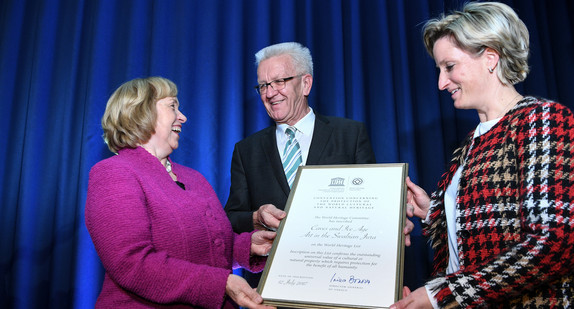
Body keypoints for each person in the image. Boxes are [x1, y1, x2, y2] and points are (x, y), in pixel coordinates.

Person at [391, 2, 574, 308]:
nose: (441, 83)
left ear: (490, 58)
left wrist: (440, 295)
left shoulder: (542, 119)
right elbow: (485, 224)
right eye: (439, 69)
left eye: (449, 67)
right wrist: (433, 209)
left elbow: (554, 243)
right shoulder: (470, 143)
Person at [85, 77, 276, 309]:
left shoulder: (193, 177)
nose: (183, 116)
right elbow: (131, 263)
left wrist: (249, 247)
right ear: (140, 111)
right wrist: (221, 282)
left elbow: (209, 247)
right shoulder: (113, 173)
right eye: (172, 106)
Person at [224, 42, 377, 287]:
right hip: (278, 285)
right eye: (263, 85)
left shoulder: (350, 134)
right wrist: (257, 217)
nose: (270, 93)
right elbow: (231, 218)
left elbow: (373, 205)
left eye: (279, 81)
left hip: (344, 280)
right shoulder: (246, 150)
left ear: (306, 83)